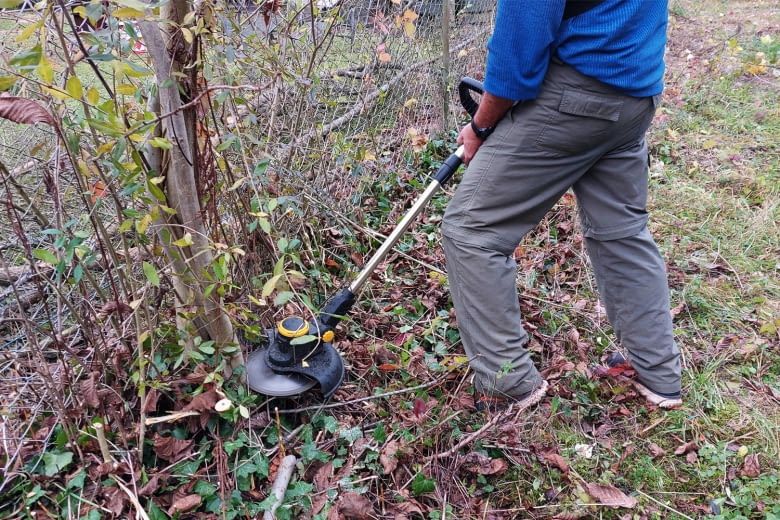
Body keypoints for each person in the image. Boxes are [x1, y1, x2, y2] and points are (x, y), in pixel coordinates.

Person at [442, 0, 682, 410]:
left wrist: (481, 124)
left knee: (471, 230)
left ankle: (508, 382)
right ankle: (658, 371)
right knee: (622, 232)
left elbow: (518, 54)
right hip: (635, 95)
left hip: (576, 97)